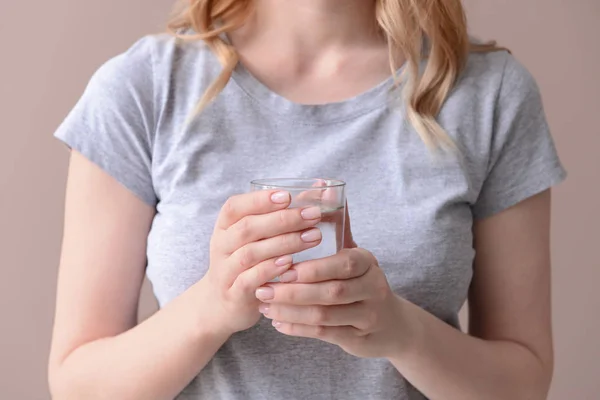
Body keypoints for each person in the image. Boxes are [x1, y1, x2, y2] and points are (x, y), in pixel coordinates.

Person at [47, 0, 567, 399]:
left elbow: (523, 381)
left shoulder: (491, 95)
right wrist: (212, 307)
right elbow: (77, 383)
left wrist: (399, 330)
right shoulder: (142, 89)